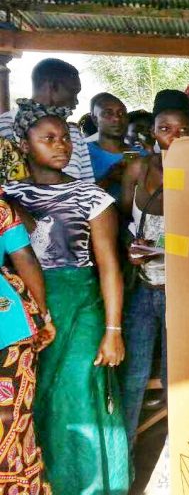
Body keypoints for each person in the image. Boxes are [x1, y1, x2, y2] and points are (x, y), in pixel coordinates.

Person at [5, 103, 130, 494]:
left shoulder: (91, 196)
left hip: (81, 305)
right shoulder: (9, 196)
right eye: (48, 139)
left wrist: (113, 330)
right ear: (24, 145)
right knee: (35, 397)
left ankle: (90, 486)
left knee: (78, 395)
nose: (61, 146)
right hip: (27, 308)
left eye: (64, 138)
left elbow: (109, 265)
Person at [119, 90, 189, 447]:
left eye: (183, 130)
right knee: (132, 377)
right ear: (152, 131)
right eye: (165, 129)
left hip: (182, 294)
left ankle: (178, 456)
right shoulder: (137, 168)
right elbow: (120, 220)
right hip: (143, 289)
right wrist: (130, 248)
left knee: (176, 378)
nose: (174, 137)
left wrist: (170, 248)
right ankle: (125, 458)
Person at [0, 197, 56, 495]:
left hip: (9, 326)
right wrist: (44, 316)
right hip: (9, 324)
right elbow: (25, 259)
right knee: (13, 419)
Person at [0, 58, 95, 183]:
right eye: (73, 92)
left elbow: (88, 185)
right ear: (53, 86)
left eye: (65, 139)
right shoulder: (4, 127)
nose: (76, 101)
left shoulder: (74, 133)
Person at [87, 92, 145, 200]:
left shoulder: (142, 155)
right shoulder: (83, 152)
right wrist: (109, 178)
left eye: (122, 113)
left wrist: (133, 178)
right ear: (95, 119)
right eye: (108, 113)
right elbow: (75, 200)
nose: (117, 118)